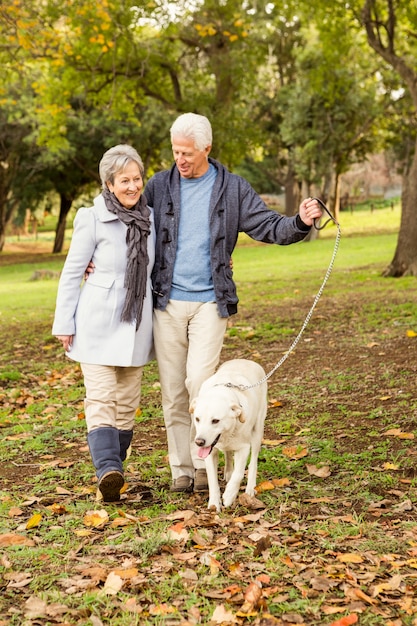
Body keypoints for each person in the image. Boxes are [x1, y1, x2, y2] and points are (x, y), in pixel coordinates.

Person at [144, 112, 323, 493]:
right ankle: (183, 470)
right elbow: (131, 224)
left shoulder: (232, 189)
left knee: (199, 383)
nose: (181, 159)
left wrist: (302, 222)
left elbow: (268, 225)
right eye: (176, 151)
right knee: (173, 389)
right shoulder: (158, 186)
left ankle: (206, 456)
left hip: (211, 301)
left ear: (207, 148)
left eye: (188, 152)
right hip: (167, 301)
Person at [52, 145, 155, 502]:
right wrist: (64, 322)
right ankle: (107, 470)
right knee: (101, 397)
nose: (132, 186)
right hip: (97, 322)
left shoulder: (151, 219)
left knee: (127, 403)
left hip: (136, 324)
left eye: (136, 178)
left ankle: (114, 474)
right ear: (109, 184)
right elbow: (71, 273)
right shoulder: (91, 217)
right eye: (123, 180)